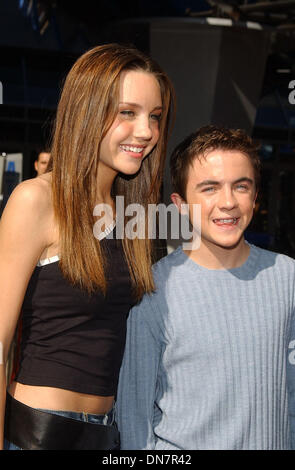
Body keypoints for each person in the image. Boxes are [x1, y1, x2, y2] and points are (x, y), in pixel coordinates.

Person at [0, 43, 174, 450]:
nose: (146, 131)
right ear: (87, 111)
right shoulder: (36, 200)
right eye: (127, 113)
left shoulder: (135, 215)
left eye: (155, 117)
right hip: (39, 433)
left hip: (109, 432)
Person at [117, 125, 295, 450]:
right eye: (209, 188)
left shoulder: (287, 278)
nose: (227, 202)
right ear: (181, 204)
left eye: (241, 187)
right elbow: (134, 416)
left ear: (255, 197)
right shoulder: (154, 289)